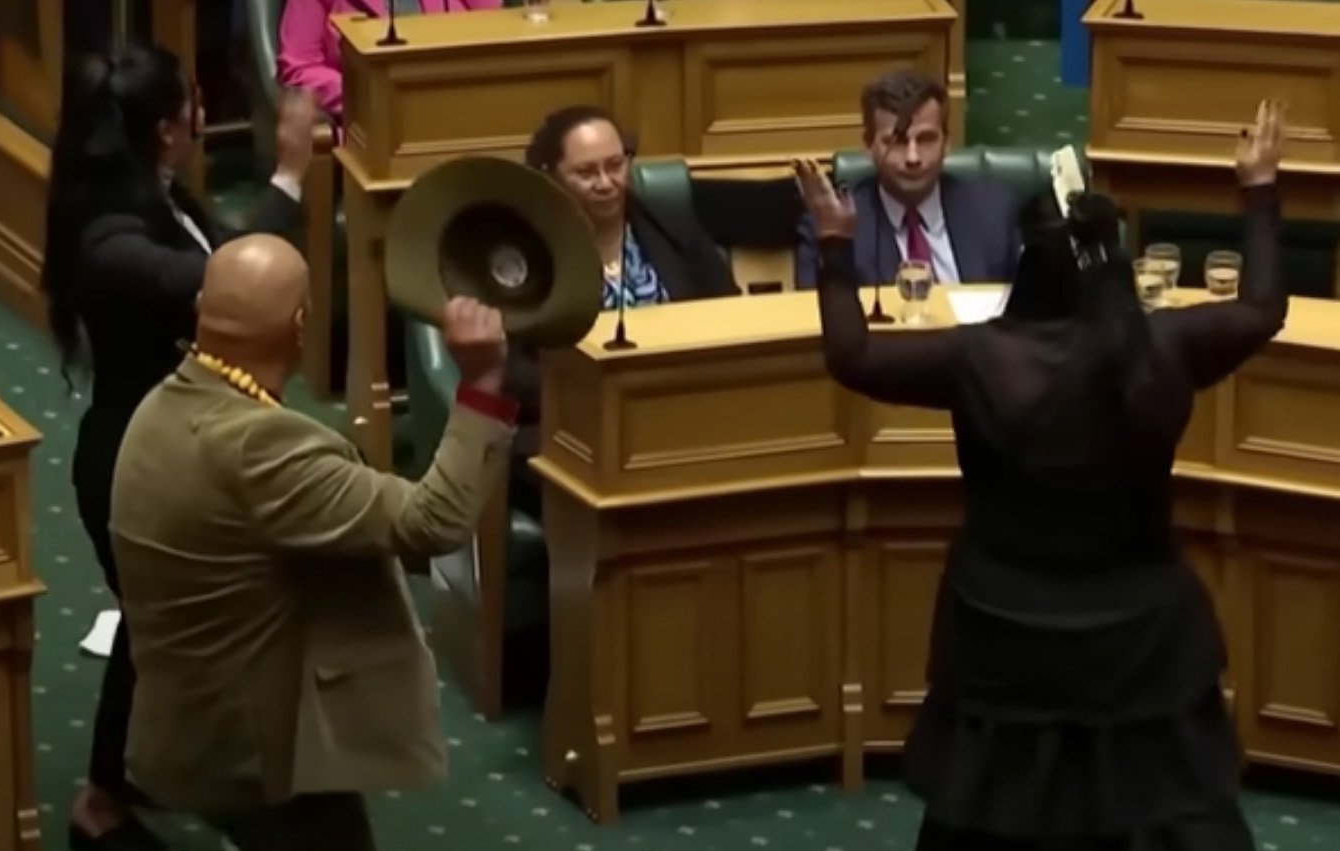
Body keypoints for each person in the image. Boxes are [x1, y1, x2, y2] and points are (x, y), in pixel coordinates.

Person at [796, 100, 1287, 851]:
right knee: (1158, 801)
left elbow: (852, 356)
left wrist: (834, 247)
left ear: (1027, 265)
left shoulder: (978, 358)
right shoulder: (1166, 348)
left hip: (1005, 629)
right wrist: (1259, 188)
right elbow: (1263, 308)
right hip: (1139, 632)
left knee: (995, 817)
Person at [109, 234, 516, 851]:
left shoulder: (158, 407)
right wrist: (484, 382)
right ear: (300, 326)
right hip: (261, 759)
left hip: (187, 726)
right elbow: (432, 523)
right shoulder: (262, 447)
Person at [39, 42, 317, 851]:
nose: (203, 117)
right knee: (173, 633)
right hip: (137, 466)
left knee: (171, 633)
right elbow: (228, 284)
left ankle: (151, 781)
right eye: (194, 105)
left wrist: (286, 183)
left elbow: (228, 257)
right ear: (167, 129)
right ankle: (103, 802)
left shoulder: (153, 195)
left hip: (192, 448)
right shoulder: (109, 236)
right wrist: (291, 174)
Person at [506, 104, 740, 515]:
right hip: (573, 432)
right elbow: (517, 378)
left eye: (616, 165)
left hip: (679, 415)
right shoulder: (526, 258)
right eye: (586, 173)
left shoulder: (669, 227)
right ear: (552, 176)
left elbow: (727, 312)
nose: (606, 183)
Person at [794, 69, 1021, 290]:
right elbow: (814, 319)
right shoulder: (829, 227)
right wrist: (835, 244)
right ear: (868, 145)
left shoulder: (994, 212)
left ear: (947, 142)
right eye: (898, 142)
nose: (913, 158)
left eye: (926, 139)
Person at [277, 0, 503, 121]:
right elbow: (299, 65)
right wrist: (367, 94)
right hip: (371, 125)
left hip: (457, 110)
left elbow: (497, 34)